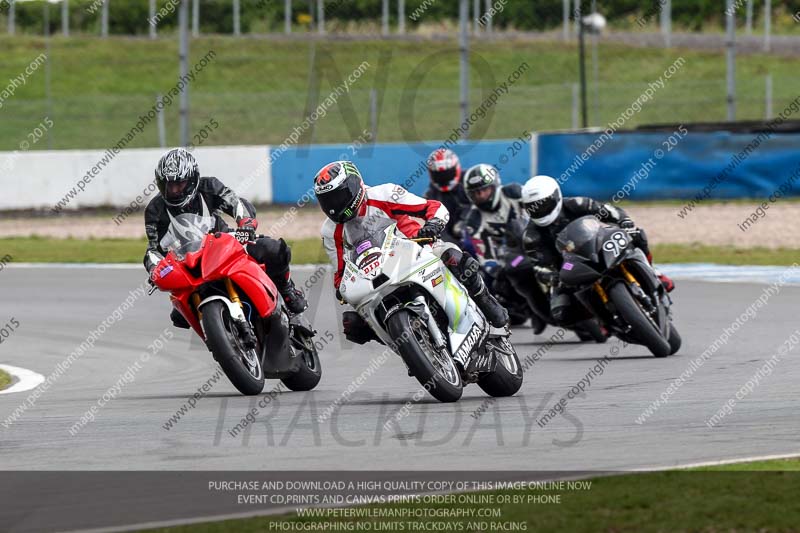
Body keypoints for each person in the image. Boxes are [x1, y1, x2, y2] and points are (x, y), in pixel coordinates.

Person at [313, 160, 508, 344]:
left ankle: (485, 300)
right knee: (353, 324)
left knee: (455, 258)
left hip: (417, 248)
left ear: (355, 186)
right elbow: (341, 273)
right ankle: (410, 348)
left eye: (338, 197)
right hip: (374, 274)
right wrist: (344, 290)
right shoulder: (330, 231)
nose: (333, 206)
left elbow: (432, 207)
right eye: (327, 201)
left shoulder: (385, 194)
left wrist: (433, 224)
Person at [143, 148, 307, 328]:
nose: (173, 190)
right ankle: (221, 337)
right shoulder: (154, 210)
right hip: (189, 264)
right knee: (179, 315)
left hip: (225, 245)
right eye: (168, 185)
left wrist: (246, 224)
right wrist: (154, 268)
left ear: (191, 180)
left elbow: (236, 203)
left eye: (179, 184)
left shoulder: (209, 187)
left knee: (272, 249)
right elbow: (154, 249)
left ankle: (286, 289)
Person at [520, 174, 674, 326]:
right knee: (561, 313)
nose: (539, 210)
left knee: (637, 235)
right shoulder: (531, 236)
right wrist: (553, 276)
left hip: (597, 245)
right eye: (534, 207)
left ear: (556, 196)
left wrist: (624, 221)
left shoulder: (577, 203)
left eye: (543, 204)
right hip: (567, 267)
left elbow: (609, 211)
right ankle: (598, 319)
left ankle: (655, 273)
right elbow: (540, 267)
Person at [461, 163, 548, 333]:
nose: (481, 195)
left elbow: (538, 207)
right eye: (475, 193)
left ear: (494, 186)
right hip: (510, 255)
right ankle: (532, 307)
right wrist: (495, 269)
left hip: (536, 237)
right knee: (499, 280)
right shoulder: (474, 219)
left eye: (484, 190)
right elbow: (483, 253)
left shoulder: (514, 192)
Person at [423, 148, 471, 244]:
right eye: (439, 175)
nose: (443, 178)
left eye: (447, 174)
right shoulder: (430, 196)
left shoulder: (470, 182)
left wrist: (463, 222)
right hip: (451, 240)